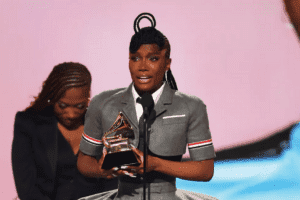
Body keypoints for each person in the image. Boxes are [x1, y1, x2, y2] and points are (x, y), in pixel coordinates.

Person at [77, 13, 216, 200]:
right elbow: (84, 162)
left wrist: (154, 164)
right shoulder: (103, 103)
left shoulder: (191, 106)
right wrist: (104, 170)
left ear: (167, 63)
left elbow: (205, 170)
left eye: (152, 59)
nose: (142, 67)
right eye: (135, 58)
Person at [12, 62, 118, 200]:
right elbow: (27, 188)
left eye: (80, 106)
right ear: (52, 97)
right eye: (62, 105)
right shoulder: (29, 125)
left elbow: (113, 184)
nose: (71, 114)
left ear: (88, 99)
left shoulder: (103, 126)